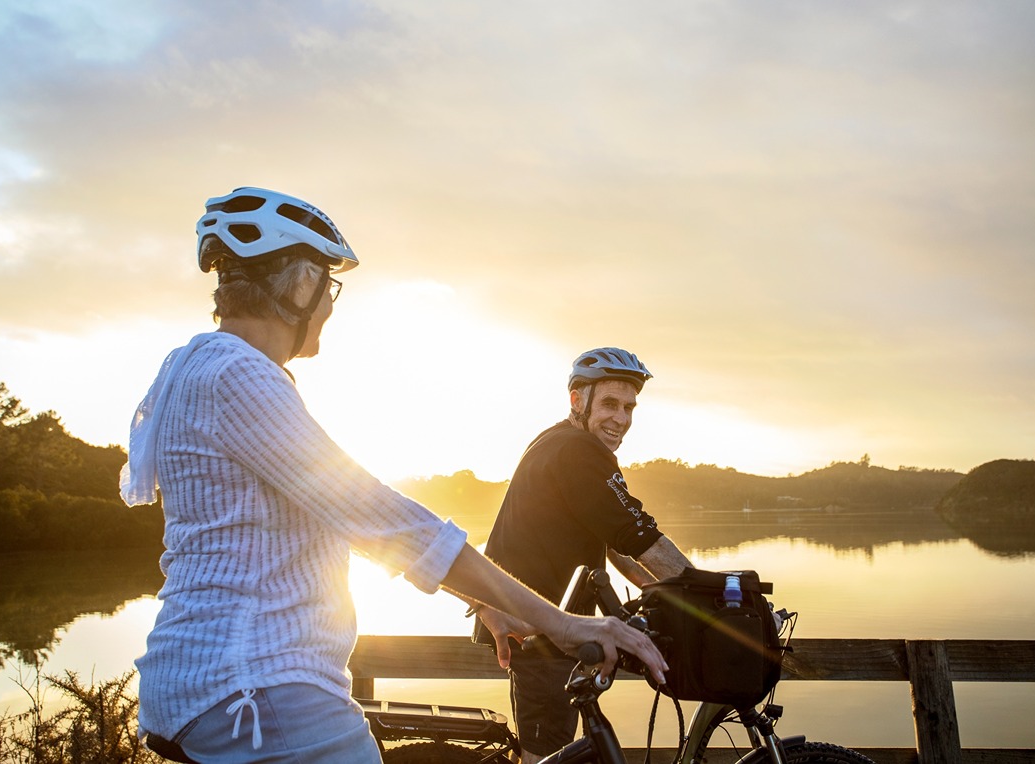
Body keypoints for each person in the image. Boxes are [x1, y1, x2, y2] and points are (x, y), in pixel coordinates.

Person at [120, 188, 667, 763]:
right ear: (300, 285)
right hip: (253, 686)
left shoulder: (196, 366)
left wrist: (491, 603)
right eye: (327, 286)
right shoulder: (240, 376)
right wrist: (561, 623)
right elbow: (384, 519)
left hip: (210, 684)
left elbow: (361, 529)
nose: (329, 305)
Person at [477, 347, 694, 763]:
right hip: (537, 631)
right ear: (578, 400)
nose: (622, 418)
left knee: (564, 749)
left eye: (630, 407)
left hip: (553, 628)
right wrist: (715, 595)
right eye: (610, 404)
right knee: (546, 755)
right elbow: (640, 536)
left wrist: (676, 594)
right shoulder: (577, 450)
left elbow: (617, 546)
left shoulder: (560, 441)